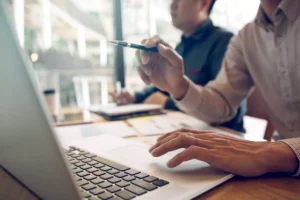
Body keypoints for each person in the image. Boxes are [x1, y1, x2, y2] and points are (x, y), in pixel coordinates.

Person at [136, 0, 300, 177]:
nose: (172, 4)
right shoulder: (246, 38)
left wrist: (273, 153)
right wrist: (178, 87)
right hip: (286, 176)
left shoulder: (225, 38)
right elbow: (221, 104)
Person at [112, 0, 247, 132]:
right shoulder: (182, 45)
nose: (172, 4)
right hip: (185, 129)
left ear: (204, 3)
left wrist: (167, 103)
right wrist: (134, 95)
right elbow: (165, 87)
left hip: (222, 137)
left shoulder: (224, 42)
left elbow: (228, 110)